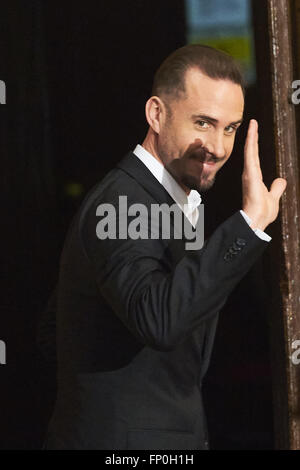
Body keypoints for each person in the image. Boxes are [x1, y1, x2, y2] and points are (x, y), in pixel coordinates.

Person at [39, 44, 286, 450]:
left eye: (230, 128)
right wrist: (249, 224)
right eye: (203, 123)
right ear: (156, 114)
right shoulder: (122, 202)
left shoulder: (173, 201)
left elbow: (56, 328)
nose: (219, 147)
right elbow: (160, 320)